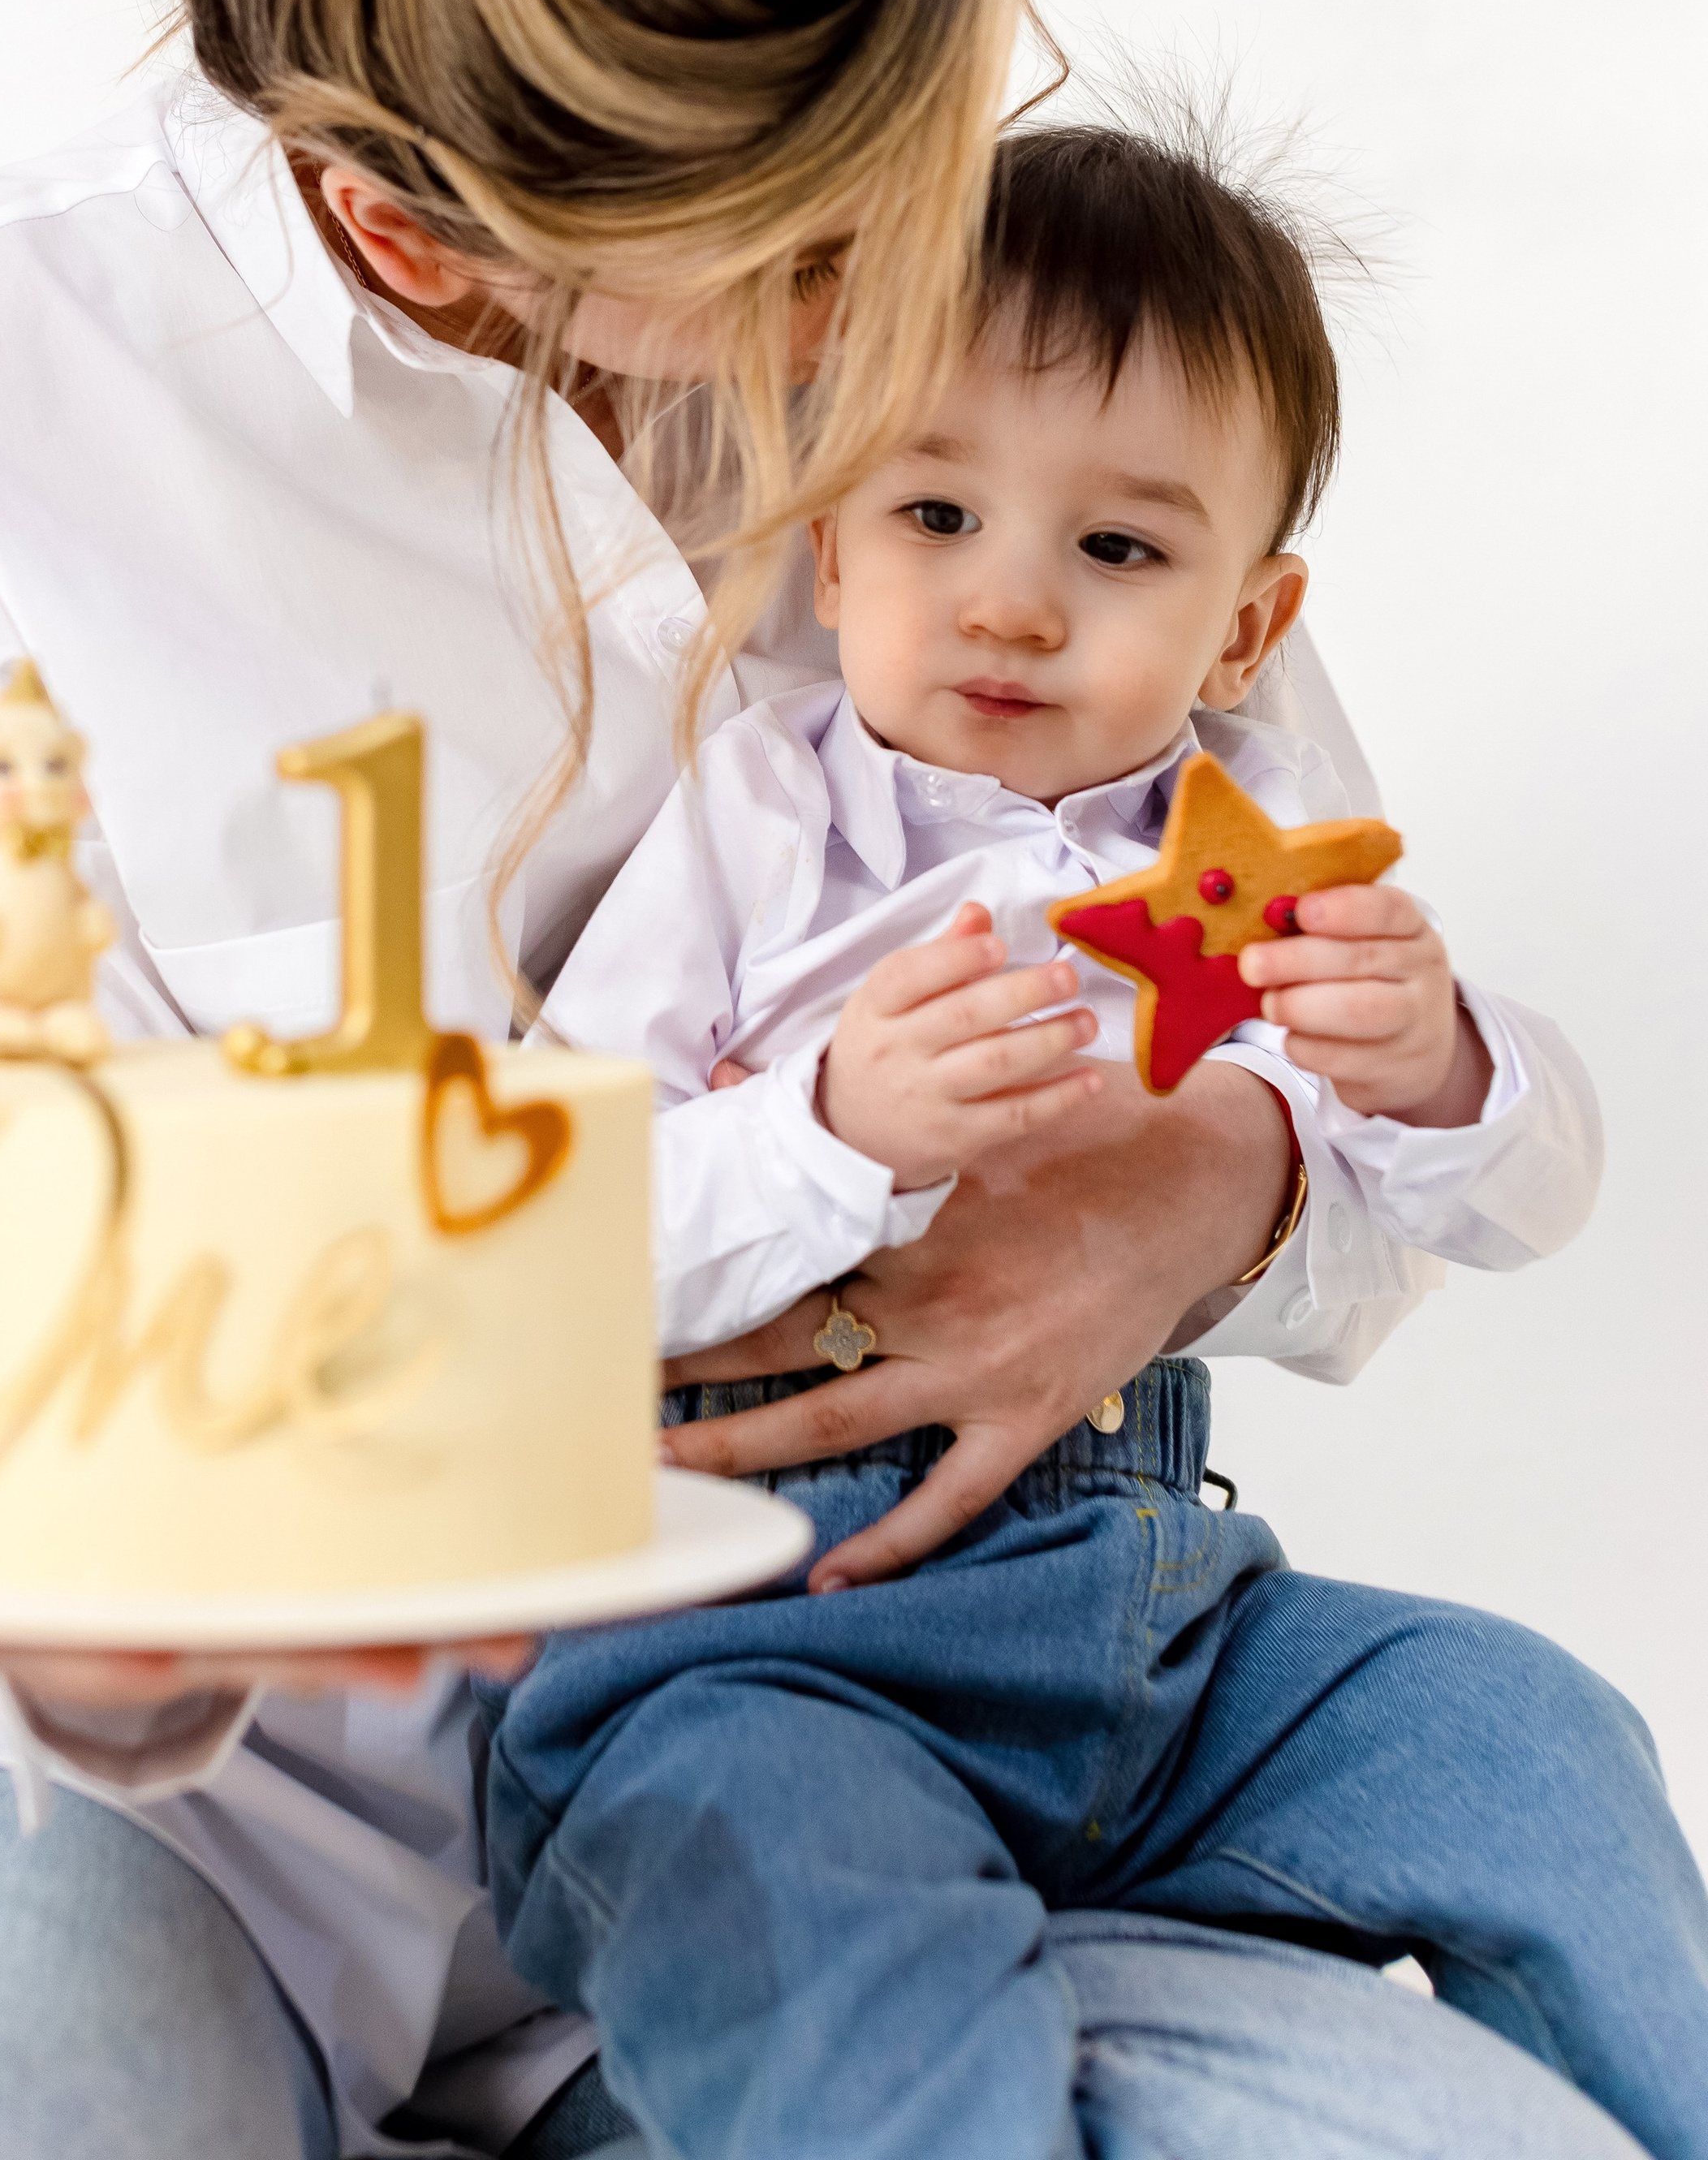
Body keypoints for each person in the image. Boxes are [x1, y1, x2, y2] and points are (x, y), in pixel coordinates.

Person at [0, 0, 1643, 2160]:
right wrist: (150, 1592)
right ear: (426, 242)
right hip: (154, 1807)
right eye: (830, 243)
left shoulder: (1001, 330)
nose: (920, 295)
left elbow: (1293, 1023)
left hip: (868, 1757)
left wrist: (1203, 1182)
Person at [494, 118, 1706, 2160]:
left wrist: (1428, 1066)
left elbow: (1527, 1194)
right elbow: (552, 1234)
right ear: (831, 550)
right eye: (937, 513)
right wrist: (826, 1131)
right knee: (801, 1915)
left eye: (1117, 552)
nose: (1011, 608)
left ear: (1246, 627)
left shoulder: (1257, 875)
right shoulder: (760, 828)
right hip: (764, 1656)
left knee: (1534, 1740)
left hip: (1165, 1624)